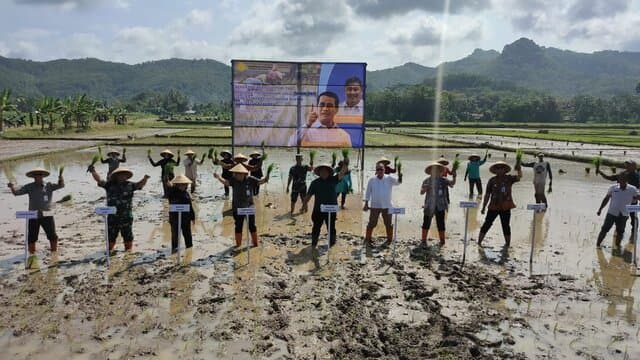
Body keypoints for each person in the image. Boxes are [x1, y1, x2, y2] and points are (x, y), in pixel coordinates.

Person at [89, 165, 149, 252]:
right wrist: (93, 171)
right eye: (120, 175)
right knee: (111, 235)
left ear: (126, 176)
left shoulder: (130, 185)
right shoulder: (109, 185)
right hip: (112, 217)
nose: (122, 176)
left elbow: (139, 185)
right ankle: (110, 250)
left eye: (124, 175)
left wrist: (145, 179)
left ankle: (128, 252)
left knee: (128, 235)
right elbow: (99, 180)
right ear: (116, 176)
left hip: (126, 217)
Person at [8, 167, 64, 260]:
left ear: (43, 176)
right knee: (32, 237)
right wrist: (12, 187)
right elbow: (16, 193)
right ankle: (32, 255)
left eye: (40, 174)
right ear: (33, 177)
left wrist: (61, 178)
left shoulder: (49, 185)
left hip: (47, 214)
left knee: (52, 235)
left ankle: (54, 252)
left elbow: (61, 185)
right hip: (33, 215)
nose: (38, 176)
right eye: (36, 175)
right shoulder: (29, 187)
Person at [214, 164, 269, 248]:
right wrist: (218, 177)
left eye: (238, 173)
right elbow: (226, 183)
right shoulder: (233, 180)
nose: (236, 175)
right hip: (237, 208)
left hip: (249, 207)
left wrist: (266, 178)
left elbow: (259, 182)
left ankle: (255, 243)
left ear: (244, 173)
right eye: (235, 173)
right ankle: (238, 244)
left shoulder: (250, 179)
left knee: (252, 226)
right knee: (238, 226)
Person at [302, 163, 347, 248]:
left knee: (331, 227)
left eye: (325, 171)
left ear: (329, 172)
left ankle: (332, 245)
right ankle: (314, 244)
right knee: (316, 227)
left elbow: (342, 173)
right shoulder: (315, 183)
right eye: (321, 171)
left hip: (331, 209)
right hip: (318, 210)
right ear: (319, 173)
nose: (323, 173)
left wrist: (345, 161)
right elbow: (308, 195)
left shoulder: (334, 179)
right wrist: (304, 205)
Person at [478, 161, 523, 247]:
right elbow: (487, 194)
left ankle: (507, 244)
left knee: (506, 226)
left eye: (501, 168)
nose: (499, 170)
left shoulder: (509, 179)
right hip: (493, 206)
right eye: (497, 168)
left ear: (505, 170)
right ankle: (479, 242)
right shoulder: (492, 180)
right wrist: (483, 207)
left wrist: (519, 169)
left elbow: (519, 177)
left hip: (506, 207)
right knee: (487, 224)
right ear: (495, 170)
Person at [287, 91, 352, 147]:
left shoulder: (344, 136)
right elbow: (291, 145)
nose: (325, 109)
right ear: (317, 108)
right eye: (322, 105)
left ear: (336, 109)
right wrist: (307, 124)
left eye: (329, 105)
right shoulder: (307, 131)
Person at [598, 160, 639, 243]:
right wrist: (601, 173)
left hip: (632, 202)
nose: (626, 166)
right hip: (620, 200)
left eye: (628, 165)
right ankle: (617, 236)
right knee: (618, 220)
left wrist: (636, 196)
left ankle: (633, 234)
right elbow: (610, 178)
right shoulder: (622, 174)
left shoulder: (638, 176)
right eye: (626, 165)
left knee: (633, 218)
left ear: (634, 167)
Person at [363, 162, 403, 246]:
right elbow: (368, 192)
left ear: (384, 170)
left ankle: (389, 240)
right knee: (372, 223)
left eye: (381, 169)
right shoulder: (372, 180)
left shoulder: (389, 178)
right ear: (376, 171)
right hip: (375, 205)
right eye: (378, 169)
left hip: (387, 205)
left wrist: (400, 175)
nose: (380, 171)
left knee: (388, 224)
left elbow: (399, 182)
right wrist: (366, 203)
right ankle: (367, 239)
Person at [420, 162, 456, 246]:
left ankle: (442, 241)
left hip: (440, 206)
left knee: (441, 224)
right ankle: (423, 240)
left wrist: (454, 176)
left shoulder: (443, 180)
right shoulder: (426, 180)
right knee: (426, 223)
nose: (435, 171)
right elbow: (421, 192)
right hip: (429, 206)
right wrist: (425, 188)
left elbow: (452, 184)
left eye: (437, 170)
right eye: (433, 170)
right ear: (431, 171)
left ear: (440, 171)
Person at [165, 174, 196, 252]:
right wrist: (167, 181)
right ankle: (174, 249)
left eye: (185, 184)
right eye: (182, 184)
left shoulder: (186, 193)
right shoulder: (172, 192)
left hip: (186, 217)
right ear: (177, 185)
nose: (184, 186)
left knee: (187, 234)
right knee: (175, 234)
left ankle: (189, 250)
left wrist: (193, 217)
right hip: (174, 217)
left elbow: (190, 206)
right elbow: (167, 186)